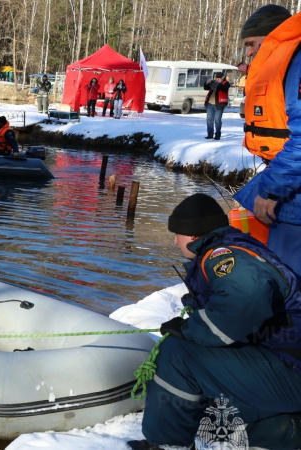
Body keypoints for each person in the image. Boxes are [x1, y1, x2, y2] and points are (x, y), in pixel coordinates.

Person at [129, 193, 301, 450]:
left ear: (194, 235)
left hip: (290, 368)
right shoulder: (240, 247)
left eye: (177, 233)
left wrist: (190, 330)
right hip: (285, 364)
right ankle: (289, 430)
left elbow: (247, 298)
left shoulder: (222, 255)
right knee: (215, 417)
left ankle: (165, 445)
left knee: (176, 354)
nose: (175, 241)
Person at [232, 5, 301, 277]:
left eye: (251, 44)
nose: (248, 52)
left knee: (289, 281)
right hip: (288, 180)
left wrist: (272, 191)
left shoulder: (294, 61)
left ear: (272, 36)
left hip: (291, 188)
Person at [203, 72, 230, 140]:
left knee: (217, 121)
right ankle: (210, 134)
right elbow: (206, 88)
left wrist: (216, 84)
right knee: (209, 120)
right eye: (216, 78)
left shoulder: (226, 83)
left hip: (219, 105)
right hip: (210, 104)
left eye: (218, 79)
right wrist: (207, 83)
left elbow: (223, 88)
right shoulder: (214, 82)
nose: (217, 80)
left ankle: (217, 135)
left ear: (222, 78)